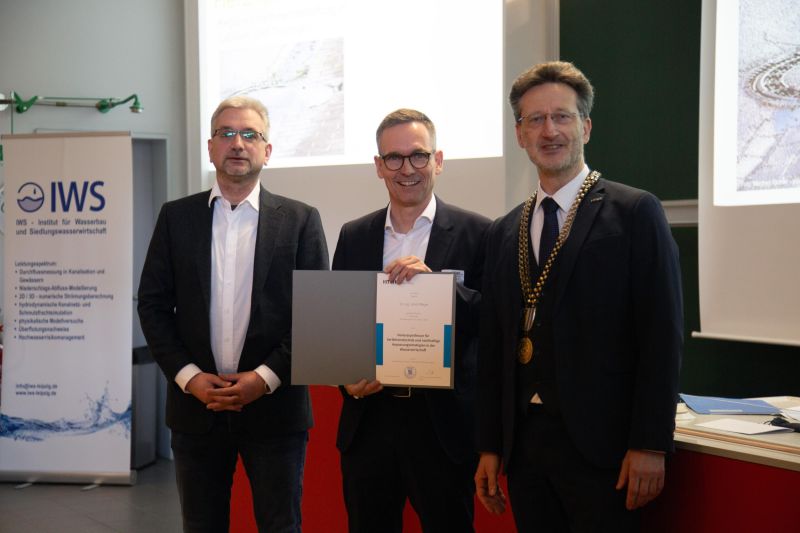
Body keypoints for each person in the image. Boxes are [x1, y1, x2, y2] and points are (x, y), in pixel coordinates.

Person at [474, 61, 683, 531]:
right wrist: (489, 445)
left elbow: (661, 334)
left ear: (585, 127)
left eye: (562, 117)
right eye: (535, 119)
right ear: (520, 134)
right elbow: (494, 346)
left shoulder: (635, 212)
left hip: (607, 450)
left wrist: (650, 442)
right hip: (525, 451)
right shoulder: (504, 231)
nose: (549, 131)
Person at [137, 95, 328, 533]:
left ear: (267, 150)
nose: (237, 143)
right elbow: (152, 305)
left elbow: (315, 315)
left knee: (280, 526)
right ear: (210, 148)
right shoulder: (176, 217)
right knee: (201, 525)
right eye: (226, 133)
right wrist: (189, 377)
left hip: (276, 410)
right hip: (195, 411)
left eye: (249, 134)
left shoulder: (301, 220)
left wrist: (264, 378)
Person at [332, 108, 490, 532]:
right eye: (394, 158)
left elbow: (491, 322)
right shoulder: (353, 235)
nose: (407, 169)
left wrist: (440, 287)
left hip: (442, 427)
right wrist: (346, 378)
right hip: (369, 423)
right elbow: (341, 326)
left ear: (438, 160)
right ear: (378, 166)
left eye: (418, 155)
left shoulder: (479, 232)